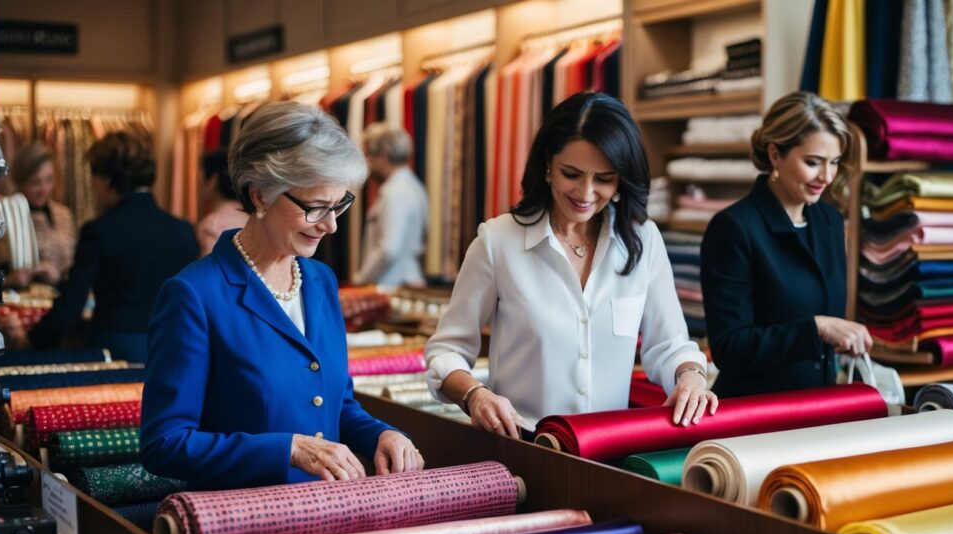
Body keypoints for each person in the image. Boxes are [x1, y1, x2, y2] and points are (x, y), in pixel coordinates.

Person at [140, 102, 423, 490]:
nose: (331, 225)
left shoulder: (320, 280)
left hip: (325, 513)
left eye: (339, 204)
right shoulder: (194, 296)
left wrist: (381, 435)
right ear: (260, 196)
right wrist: (286, 449)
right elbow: (164, 444)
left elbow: (336, 405)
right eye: (316, 208)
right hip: (246, 524)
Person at [424, 92, 718, 439]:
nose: (586, 192)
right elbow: (447, 351)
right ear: (548, 166)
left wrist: (691, 377)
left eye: (604, 178)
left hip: (610, 451)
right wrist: (475, 395)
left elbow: (669, 345)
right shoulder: (497, 242)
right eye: (572, 173)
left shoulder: (644, 240)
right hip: (524, 447)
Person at [700, 91, 872, 398]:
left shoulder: (829, 221)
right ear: (775, 154)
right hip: (757, 414)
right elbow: (729, 348)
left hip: (818, 409)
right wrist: (816, 328)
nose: (827, 176)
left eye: (834, 163)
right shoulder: (734, 228)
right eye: (813, 162)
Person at [3, 132, 198, 363]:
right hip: (175, 348)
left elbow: (70, 307)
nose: (93, 187)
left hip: (117, 352)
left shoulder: (100, 231)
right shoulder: (183, 231)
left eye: (94, 177)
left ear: (107, 179)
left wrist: (31, 341)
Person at [353, 123, 428, 287]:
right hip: (404, 279)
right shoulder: (415, 186)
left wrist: (360, 279)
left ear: (383, 155)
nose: (368, 163)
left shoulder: (394, 192)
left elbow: (388, 249)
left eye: (369, 155)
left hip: (391, 284)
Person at [0, 142, 76, 286]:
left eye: (49, 180)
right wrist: (9, 280)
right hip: (18, 304)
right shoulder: (5, 216)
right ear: (20, 183)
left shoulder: (63, 215)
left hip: (61, 302)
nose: (44, 190)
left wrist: (57, 276)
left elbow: (74, 269)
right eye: (35, 183)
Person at [196, 149, 248, 256]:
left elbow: (209, 270)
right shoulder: (249, 217)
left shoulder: (212, 225)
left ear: (213, 181)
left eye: (200, 178)